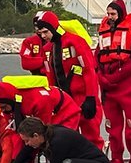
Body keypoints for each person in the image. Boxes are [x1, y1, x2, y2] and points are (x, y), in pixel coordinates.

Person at [35, 11, 103, 149]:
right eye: (40, 33)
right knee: (66, 138)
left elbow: (89, 70)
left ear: (54, 28)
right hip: (64, 101)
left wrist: (91, 97)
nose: (43, 36)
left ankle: (96, 160)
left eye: (45, 32)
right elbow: (50, 77)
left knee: (92, 137)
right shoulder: (47, 49)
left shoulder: (75, 42)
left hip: (83, 97)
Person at [95, 0, 131, 163]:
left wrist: (117, 76)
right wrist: (102, 78)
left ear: (121, 13)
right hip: (108, 88)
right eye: (108, 14)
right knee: (113, 128)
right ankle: (116, 161)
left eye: (113, 14)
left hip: (128, 86)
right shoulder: (103, 32)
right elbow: (97, 56)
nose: (110, 17)